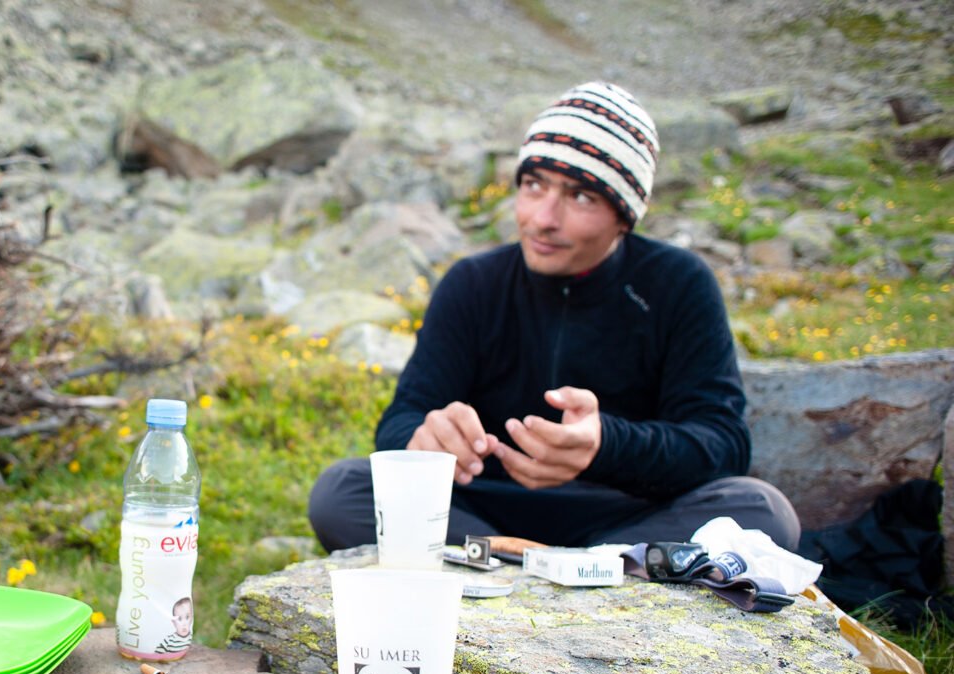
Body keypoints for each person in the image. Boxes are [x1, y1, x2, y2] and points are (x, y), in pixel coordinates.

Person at [308, 82, 800, 553]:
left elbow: (723, 444)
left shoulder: (678, 283)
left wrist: (606, 445)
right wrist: (423, 438)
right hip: (484, 510)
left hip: (625, 515)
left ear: (623, 216)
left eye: (580, 196)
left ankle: (532, 566)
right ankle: (551, 565)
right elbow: (401, 420)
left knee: (763, 512)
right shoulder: (473, 283)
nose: (543, 218)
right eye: (533, 185)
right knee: (342, 491)